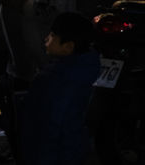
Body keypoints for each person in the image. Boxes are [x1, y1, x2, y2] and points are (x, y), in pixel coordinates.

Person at [16, 12, 101, 165]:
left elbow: (52, 126)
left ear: (68, 47)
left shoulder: (58, 79)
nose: (46, 38)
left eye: (52, 35)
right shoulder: (81, 70)